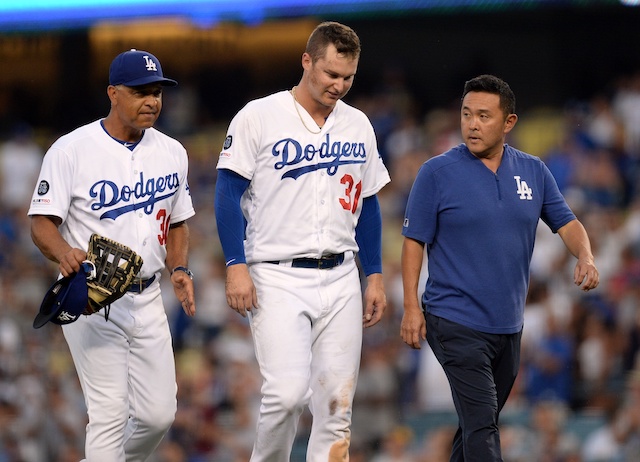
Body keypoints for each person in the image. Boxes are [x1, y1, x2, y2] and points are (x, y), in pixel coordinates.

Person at [214, 21, 390, 461]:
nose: (339, 85)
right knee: (287, 395)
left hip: (341, 275)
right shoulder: (259, 115)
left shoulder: (357, 124)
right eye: (331, 74)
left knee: (336, 405)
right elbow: (226, 193)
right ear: (306, 61)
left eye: (348, 77)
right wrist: (235, 264)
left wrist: (375, 275)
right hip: (276, 274)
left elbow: (367, 205)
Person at [400, 74, 599, 461]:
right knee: (483, 424)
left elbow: (567, 222)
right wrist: (410, 306)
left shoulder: (534, 171)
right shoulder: (436, 173)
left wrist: (586, 256)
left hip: (508, 326)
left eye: (484, 116)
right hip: (453, 319)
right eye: (466, 114)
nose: (472, 124)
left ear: (509, 122)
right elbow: (413, 242)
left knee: (478, 423)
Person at [28, 49, 196, 461]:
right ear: (113, 93)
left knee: (159, 415)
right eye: (140, 92)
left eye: (156, 92)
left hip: (149, 294)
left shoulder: (172, 150)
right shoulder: (71, 150)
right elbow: (41, 223)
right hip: (93, 296)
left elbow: (177, 221)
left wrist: (179, 267)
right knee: (109, 412)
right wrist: (64, 251)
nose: (151, 101)